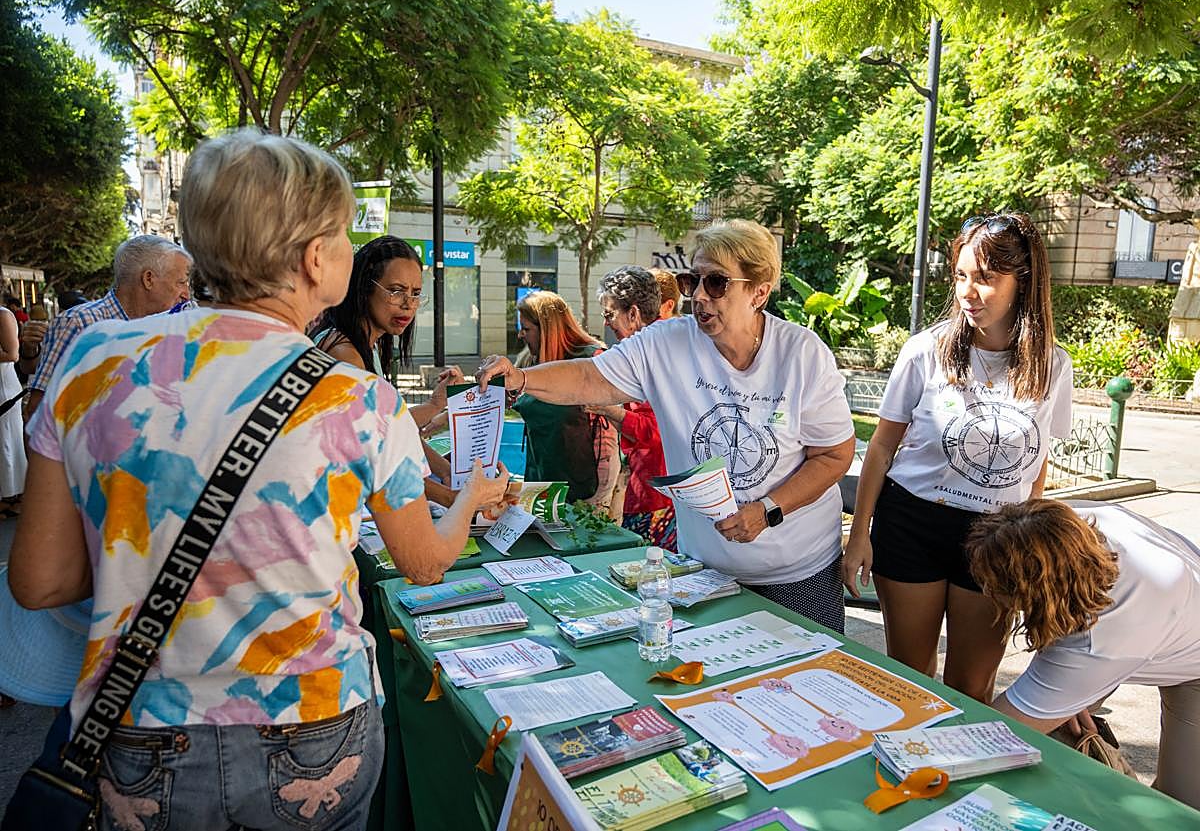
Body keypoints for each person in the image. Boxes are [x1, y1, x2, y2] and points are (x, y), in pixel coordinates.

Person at [8, 129, 508, 831]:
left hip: (137, 726)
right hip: (313, 730)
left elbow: (39, 578)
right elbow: (424, 561)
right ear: (313, 258)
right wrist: (477, 498)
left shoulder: (93, 361)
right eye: (341, 234)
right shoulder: (358, 397)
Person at [480, 220, 856, 631]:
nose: (698, 296)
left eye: (716, 282)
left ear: (758, 292)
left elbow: (835, 455)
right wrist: (521, 377)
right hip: (705, 570)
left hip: (798, 573)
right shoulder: (666, 342)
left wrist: (767, 510)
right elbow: (592, 377)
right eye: (691, 280)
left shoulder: (802, 354)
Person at [842, 212, 1072, 703]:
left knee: (972, 686)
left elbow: (1039, 461)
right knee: (909, 680)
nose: (969, 292)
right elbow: (881, 446)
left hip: (998, 536)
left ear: (1022, 282)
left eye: (986, 279)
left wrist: (1033, 543)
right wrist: (859, 533)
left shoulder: (1052, 364)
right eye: (962, 276)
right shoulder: (926, 350)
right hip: (912, 524)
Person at [969, 500, 1200, 810]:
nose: (985, 591)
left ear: (1040, 592)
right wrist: (1065, 696)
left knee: (1183, 803)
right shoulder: (1067, 526)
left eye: (994, 585)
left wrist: (1065, 691)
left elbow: (993, 736)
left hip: (1187, 656)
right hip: (1169, 607)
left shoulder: (1103, 640)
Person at [310, 235, 465, 506]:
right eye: (396, 290)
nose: (408, 304)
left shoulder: (366, 347)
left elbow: (393, 431)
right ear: (363, 289)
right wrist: (454, 499)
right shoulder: (345, 354)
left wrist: (447, 473)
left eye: (416, 294)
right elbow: (380, 456)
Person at [23, 235, 193, 423]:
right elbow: (37, 413)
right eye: (181, 282)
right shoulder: (79, 323)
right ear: (148, 279)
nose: (186, 294)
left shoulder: (165, 328)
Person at [587, 266, 677, 550]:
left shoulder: (660, 356)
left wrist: (608, 409)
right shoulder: (645, 353)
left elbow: (656, 430)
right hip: (646, 489)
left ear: (634, 314)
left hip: (659, 498)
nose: (606, 324)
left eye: (609, 314)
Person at [512, 291, 619, 508]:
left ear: (548, 330)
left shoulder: (593, 360)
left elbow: (608, 435)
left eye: (526, 329)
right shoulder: (529, 360)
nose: (520, 336)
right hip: (540, 478)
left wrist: (600, 497)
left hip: (585, 485)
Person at [0, 303, 25, 517]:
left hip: (4, 390)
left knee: (7, 442)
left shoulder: (3, 315)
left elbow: (12, 354)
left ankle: (13, 496)